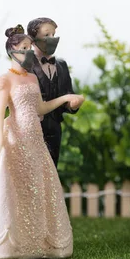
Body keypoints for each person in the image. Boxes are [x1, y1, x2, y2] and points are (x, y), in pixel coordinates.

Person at [0, 25, 83, 259]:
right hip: (16, 135)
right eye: (24, 48)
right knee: (14, 187)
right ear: (12, 51)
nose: (29, 52)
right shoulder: (3, 80)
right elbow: (0, 111)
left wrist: (65, 98)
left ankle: (37, 241)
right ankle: (9, 244)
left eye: (30, 48)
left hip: (34, 138)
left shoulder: (31, 78)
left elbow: (41, 108)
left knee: (36, 186)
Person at [27, 17, 84, 167]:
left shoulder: (61, 65)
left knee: (52, 171)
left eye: (53, 34)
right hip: (31, 128)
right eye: (46, 35)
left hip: (54, 128)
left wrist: (73, 105)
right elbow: (12, 86)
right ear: (33, 39)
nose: (52, 39)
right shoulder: (25, 64)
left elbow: (67, 93)